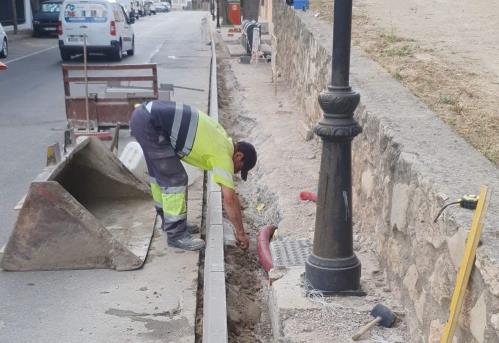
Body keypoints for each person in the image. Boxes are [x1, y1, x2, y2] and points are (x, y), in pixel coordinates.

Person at [130, 100, 257, 251]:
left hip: (146, 117)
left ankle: (170, 222)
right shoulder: (224, 155)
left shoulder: (221, 137)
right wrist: (241, 233)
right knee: (175, 179)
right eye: (239, 169)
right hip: (150, 123)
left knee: (159, 175)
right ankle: (176, 234)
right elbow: (229, 198)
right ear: (238, 156)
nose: (234, 172)